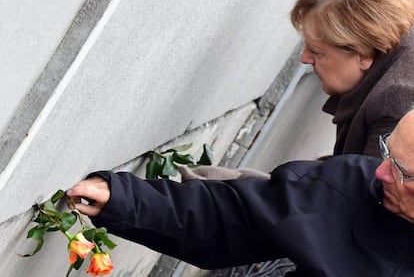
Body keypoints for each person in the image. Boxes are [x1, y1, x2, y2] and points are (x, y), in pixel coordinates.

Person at [67, 108, 414, 276]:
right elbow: (233, 219)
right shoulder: (351, 186)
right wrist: (125, 199)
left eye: (401, 171)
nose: (380, 170)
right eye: (387, 151)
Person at [290, 0, 414, 157]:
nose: (304, 58)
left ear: (364, 56)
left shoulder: (396, 106)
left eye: (316, 51)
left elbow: (355, 185)